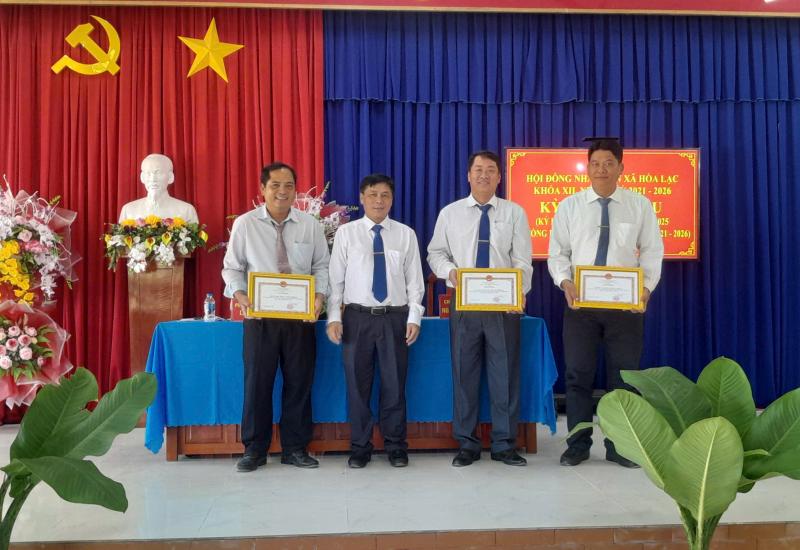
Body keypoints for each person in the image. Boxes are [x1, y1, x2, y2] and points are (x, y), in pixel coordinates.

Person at [548, 138, 664, 468]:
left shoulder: (639, 205)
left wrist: (645, 288)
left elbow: (652, 251)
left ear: (621, 168)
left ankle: (620, 446)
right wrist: (565, 281)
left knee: (624, 379)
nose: (601, 169)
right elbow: (558, 253)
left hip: (625, 307)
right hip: (580, 306)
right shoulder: (569, 206)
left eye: (608, 163)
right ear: (587, 168)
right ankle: (578, 444)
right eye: (596, 163)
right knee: (577, 376)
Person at [427, 150, 533, 467]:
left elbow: (522, 260)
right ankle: (467, 444)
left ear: (499, 177)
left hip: (503, 306)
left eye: (490, 170)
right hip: (464, 303)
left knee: (505, 375)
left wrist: (519, 292)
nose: (484, 174)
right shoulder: (450, 213)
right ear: (468, 175)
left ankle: (504, 444)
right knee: (464, 374)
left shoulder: (515, 213)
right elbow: (435, 253)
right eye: (478, 169)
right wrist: (450, 273)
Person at [222, 162, 330, 472]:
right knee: (257, 382)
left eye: (288, 186)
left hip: (300, 319)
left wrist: (320, 297)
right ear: (262, 189)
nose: (282, 192)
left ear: (296, 190)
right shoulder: (246, 224)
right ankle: (254, 450)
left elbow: (322, 266)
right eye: (275, 185)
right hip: (260, 318)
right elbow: (232, 267)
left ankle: (295, 448)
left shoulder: (310, 225)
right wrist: (240, 295)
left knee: (299, 382)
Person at [326, 174, 425, 469]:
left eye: (384, 195)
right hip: (357, 318)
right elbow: (335, 281)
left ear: (392, 199)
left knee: (394, 384)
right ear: (362, 198)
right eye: (372, 195)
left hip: (394, 318)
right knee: (358, 386)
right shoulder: (347, 234)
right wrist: (334, 317)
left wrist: (414, 317)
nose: (378, 201)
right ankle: (360, 447)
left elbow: (415, 282)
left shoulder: (405, 234)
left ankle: (396, 446)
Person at [118, 154, 199, 223]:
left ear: (170, 177)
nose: (153, 179)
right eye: (148, 173)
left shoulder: (186, 210)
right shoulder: (129, 210)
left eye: (158, 173)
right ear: (142, 177)